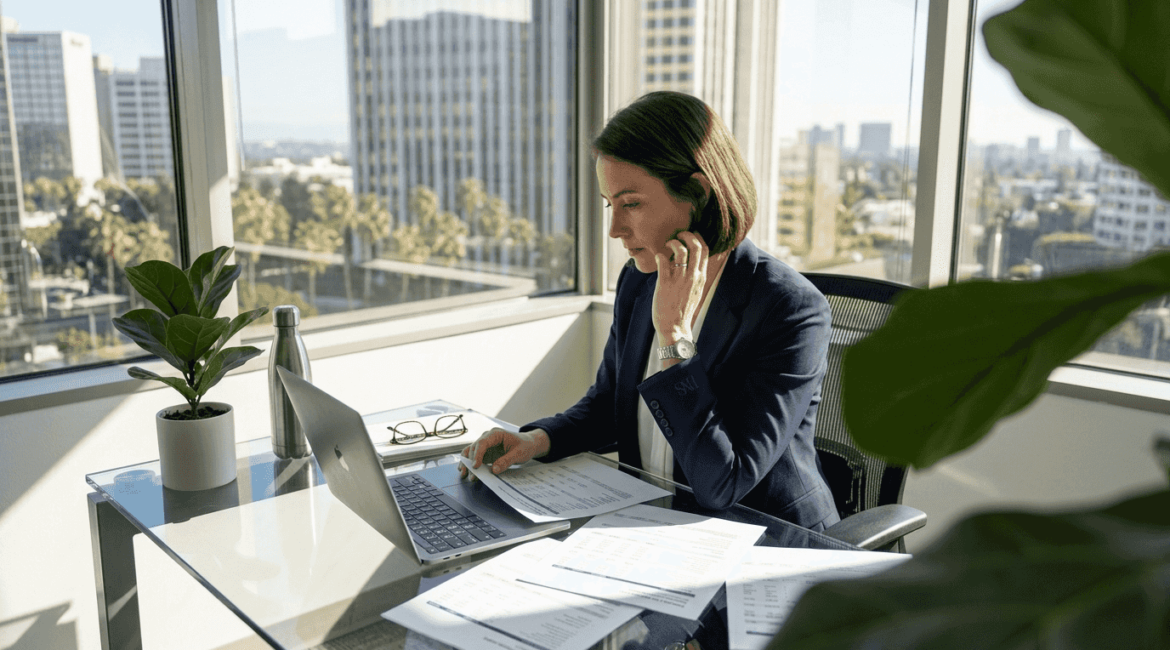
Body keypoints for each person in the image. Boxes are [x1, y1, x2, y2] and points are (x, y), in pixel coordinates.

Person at [461, 91, 839, 531]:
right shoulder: (639, 280)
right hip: (654, 529)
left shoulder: (789, 309)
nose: (615, 229)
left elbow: (723, 483)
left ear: (696, 193)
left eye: (632, 204)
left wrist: (674, 336)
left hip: (766, 544)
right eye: (609, 205)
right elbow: (609, 406)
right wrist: (536, 439)